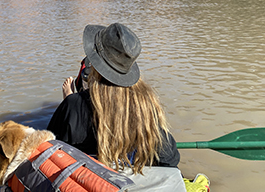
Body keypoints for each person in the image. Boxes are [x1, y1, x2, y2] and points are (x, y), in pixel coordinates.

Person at [47, 23, 180, 174]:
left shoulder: (75, 105)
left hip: (90, 186)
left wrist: (70, 101)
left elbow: (49, 154)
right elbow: (170, 159)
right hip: (131, 183)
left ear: (95, 64)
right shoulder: (146, 104)